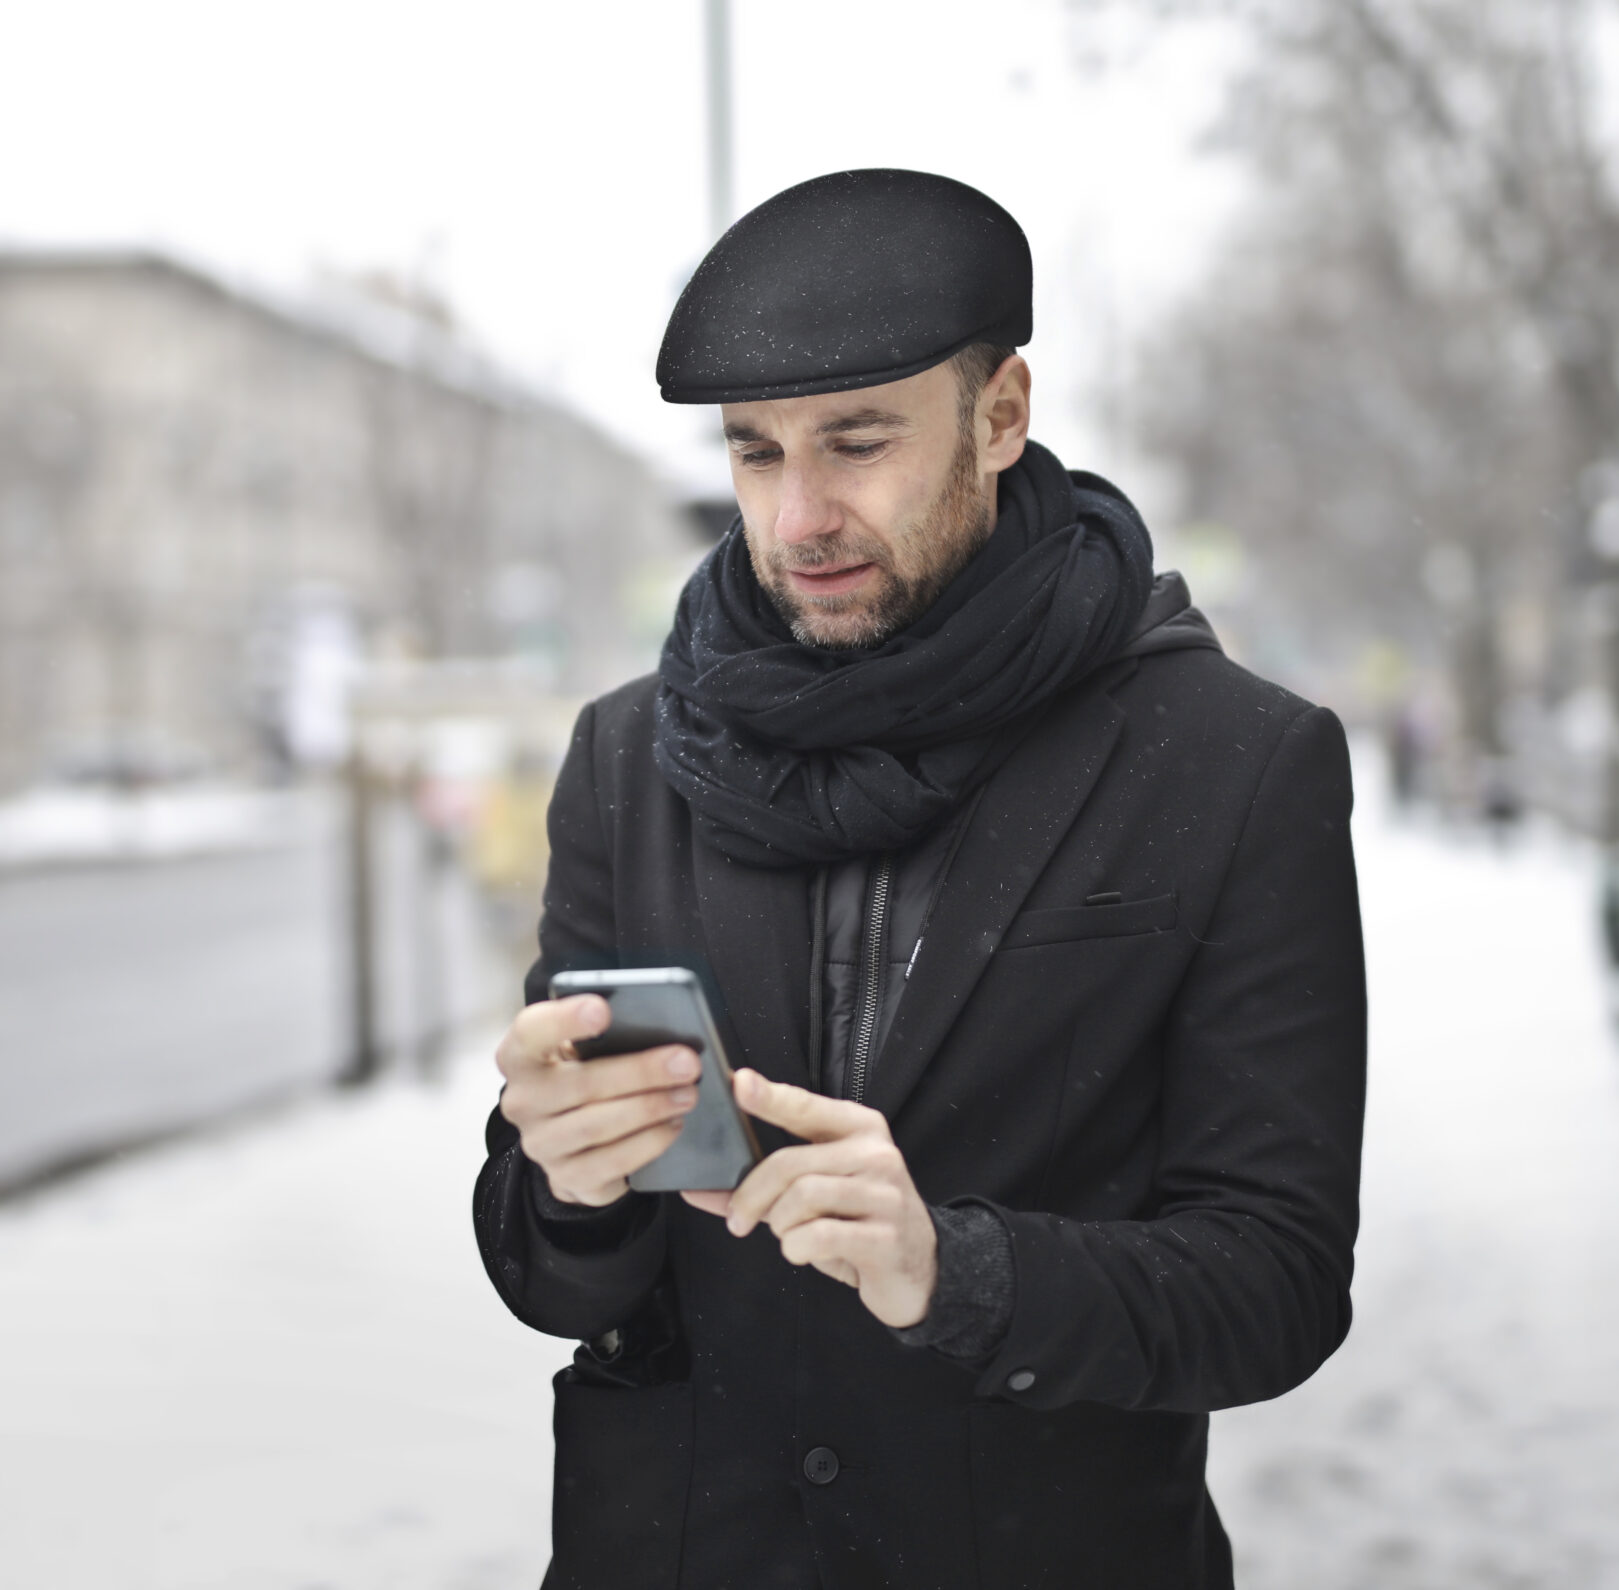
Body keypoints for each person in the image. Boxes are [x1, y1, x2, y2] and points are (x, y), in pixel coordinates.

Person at [472, 169, 1367, 1589]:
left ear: (1001, 414)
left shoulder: (1236, 761)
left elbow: (1278, 1282)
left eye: (858, 442)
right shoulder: (629, 754)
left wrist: (956, 1270)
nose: (798, 516)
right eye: (756, 454)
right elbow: (554, 1276)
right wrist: (564, 1181)